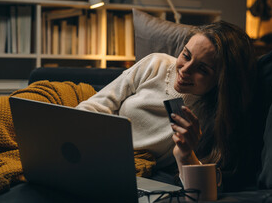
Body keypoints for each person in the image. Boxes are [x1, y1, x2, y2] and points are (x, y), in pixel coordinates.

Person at [76, 20, 257, 191]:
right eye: (186, 55)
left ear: (221, 81)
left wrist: (186, 153)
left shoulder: (211, 118)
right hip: (95, 141)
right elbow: (96, 105)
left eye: (202, 69)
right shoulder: (156, 64)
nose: (185, 70)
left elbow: (203, 191)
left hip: (126, 164)